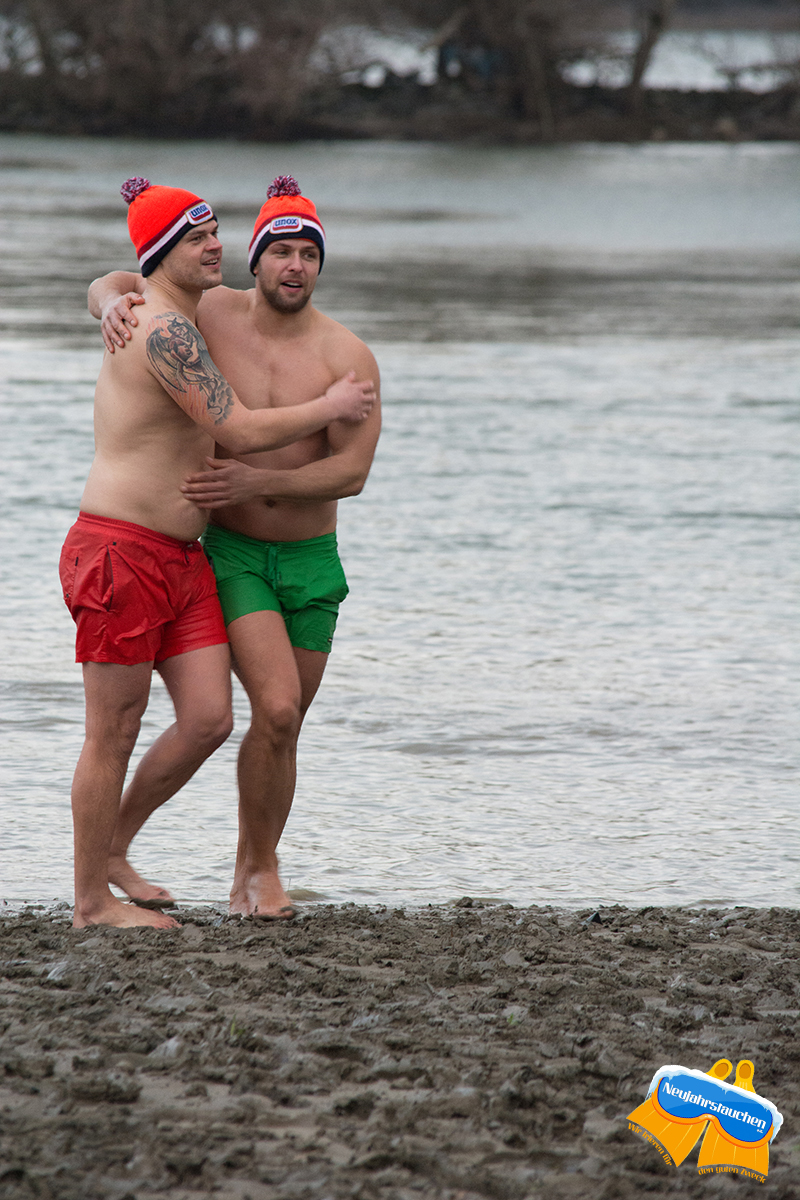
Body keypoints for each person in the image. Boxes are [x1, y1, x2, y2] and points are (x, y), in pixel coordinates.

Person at [66, 177, 375, 930]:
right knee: (117, 729)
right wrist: (328, 407)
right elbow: (233, 427)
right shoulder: (172, 327)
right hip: (127, 548)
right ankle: (91, 901)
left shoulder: (200, 313)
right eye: (200, 238)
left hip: (187, 555)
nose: (217, 248)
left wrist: (105, 296)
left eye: (215, 235)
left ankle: (132, 856)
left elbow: (354, 471)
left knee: (209, 719)